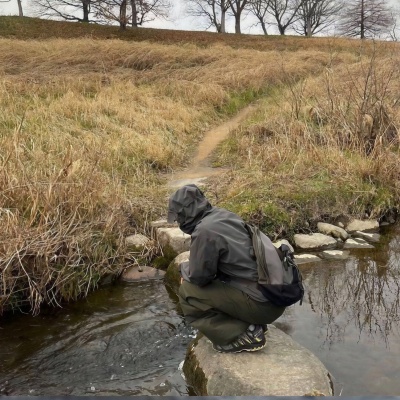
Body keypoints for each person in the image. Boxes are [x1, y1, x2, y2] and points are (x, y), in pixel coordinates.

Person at [167, 184, 286, 353]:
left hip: (263, 306)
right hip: (274, 298)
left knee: (187, 291)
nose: (178, 222)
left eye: (178, 217)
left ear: (186, 212)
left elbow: (199, 277)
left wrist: (183, 271)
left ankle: (243, 335)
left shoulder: (204, 230)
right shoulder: (223, 215)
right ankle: (252, 324)